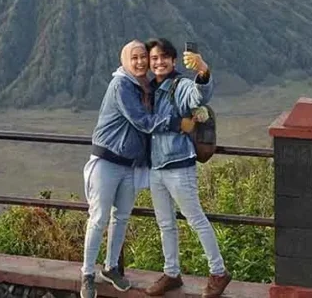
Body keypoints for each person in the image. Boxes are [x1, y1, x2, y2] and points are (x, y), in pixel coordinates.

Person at [81, 40, 193, 298]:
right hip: (107, 162)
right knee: (98, 219)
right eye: (135, 58)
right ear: (125, 60)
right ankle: (87, 273)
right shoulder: (121, 84)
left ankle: (111, 268)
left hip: (130, 166)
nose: (141, 62)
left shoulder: (144, 87)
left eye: (144, 57)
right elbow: (142, 122)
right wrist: (177, 124)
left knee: (121, 218)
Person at [144, 38, 231, 298]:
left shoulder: (180, 85)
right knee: (165, 223)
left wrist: (203, 71)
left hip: (179, 165)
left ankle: (218, 271)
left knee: (195, 219)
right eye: (154, 58)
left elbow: (199, 95)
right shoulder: (149, 89)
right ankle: (171, 272)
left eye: (163, 57)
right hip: (156, 167)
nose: (159, 62)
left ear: (173, 60)